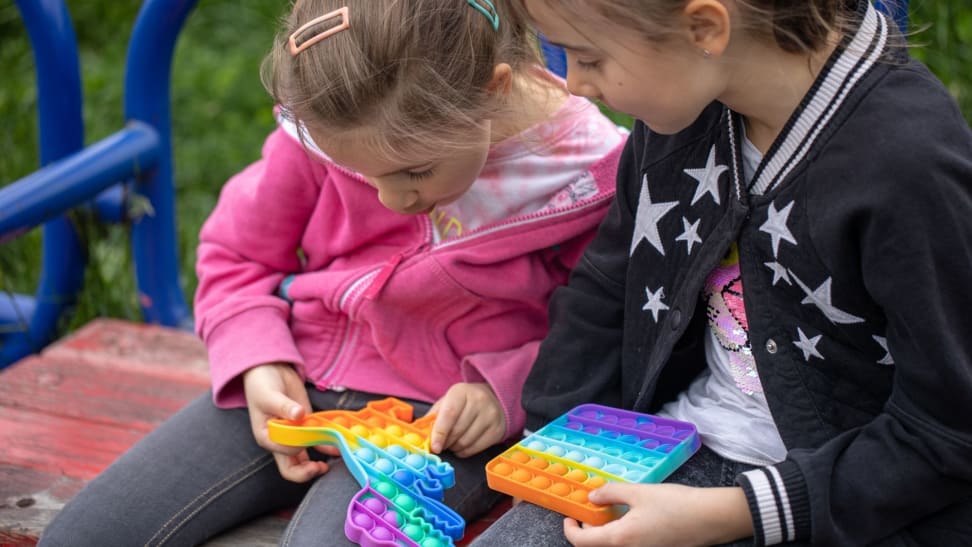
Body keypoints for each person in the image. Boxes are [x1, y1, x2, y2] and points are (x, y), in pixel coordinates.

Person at [38, 1, 626, 545]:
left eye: (414, 171)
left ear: (491, 92)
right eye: (362, 174)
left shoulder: (583, 179)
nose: (391, 199)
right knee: (87, 535)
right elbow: (235, 253)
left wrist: (503, 393)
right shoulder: (331, 124)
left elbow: (596, 331)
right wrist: (257, 360)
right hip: (299, 384)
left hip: (442, 424)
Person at [471, 0, 972, 546]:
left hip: (852, 501)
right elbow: (605, 290)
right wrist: (550, 448)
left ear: (704, 28)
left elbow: (948, 429)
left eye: (588, 57)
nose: (574, 84)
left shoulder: (909, 164)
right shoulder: (683, 109)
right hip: (682, 445)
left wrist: (732, 514)